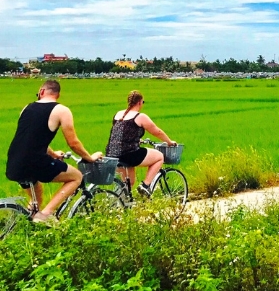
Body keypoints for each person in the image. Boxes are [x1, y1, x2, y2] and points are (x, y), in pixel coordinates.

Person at [5, 79, 102, 224]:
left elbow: (31, 139)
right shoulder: (62, 110)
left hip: (14, 162)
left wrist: (54, 154)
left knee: (36, 200)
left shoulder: (27, 108)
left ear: (42, 91)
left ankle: (28, 225)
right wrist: (90, 158)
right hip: (35, 162)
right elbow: (73, 143)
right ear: (58, 95)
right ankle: (46, 215)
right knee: (77, 177)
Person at [106, 90, 177, 197]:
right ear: (139, 102)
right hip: (129, 155)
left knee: (128, 184)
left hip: (112, 154)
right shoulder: (140, 116)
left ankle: (120, 205)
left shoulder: (118, 114)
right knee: (159, 157)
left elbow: (121, 133)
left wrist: (137, 140)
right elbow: (157, 131)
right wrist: (169, 142)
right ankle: (145, 185)